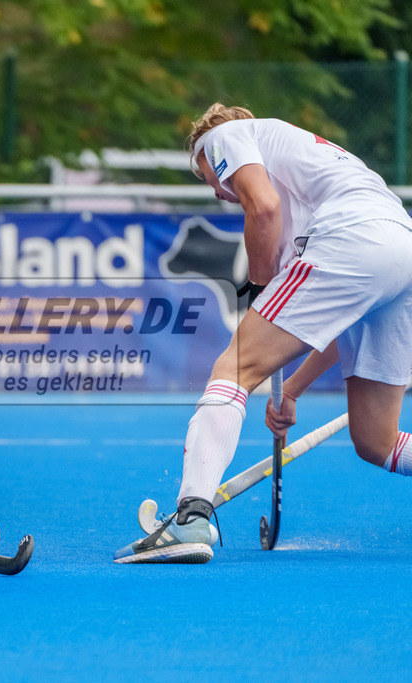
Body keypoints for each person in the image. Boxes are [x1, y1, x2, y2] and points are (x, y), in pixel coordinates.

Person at [115, 103, 412, 564]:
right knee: (377, 439)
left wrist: (258, 286)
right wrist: (291, 390)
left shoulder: (221, 138)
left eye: (207, 178)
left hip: (354, 238)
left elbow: (264, 207)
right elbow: (336, 324)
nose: (217, 191)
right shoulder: (304, 172)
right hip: (400, 248)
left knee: (233, 368)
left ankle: (191, 517)